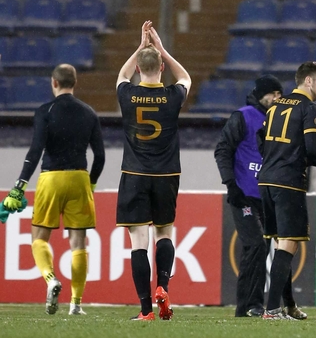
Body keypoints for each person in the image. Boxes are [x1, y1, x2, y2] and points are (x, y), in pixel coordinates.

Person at [2, 64, 105, 316]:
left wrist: (20, 185)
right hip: (79, 178)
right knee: (79, 243)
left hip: (51, 178)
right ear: (75, 83)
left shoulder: (44, 111)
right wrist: (90, 183)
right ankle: (76, 304)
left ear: (54, 83)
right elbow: (100, 156)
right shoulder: (89, 112)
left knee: (39, 237)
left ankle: (50, 279)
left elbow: (35, 152)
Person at [115, 20, 191, 321]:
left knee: (138, 242)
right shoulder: (173, 96)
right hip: (167, 174)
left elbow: (122, 75)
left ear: (138, 69)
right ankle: (163, 286)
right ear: (161, 68)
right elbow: (185, 76)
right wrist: (161, 49)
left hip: (134, 174)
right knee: (164, 232)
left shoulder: (127, 94)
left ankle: (146, 309)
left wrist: (140, 46)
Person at [257, 61, 316, 320]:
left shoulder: (275, 106)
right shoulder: (309, 108)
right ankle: (272, 309)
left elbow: (260, 140)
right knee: (289, 244)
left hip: (266, 180)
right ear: (308, 81)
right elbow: (313, 150)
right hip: (288, 182)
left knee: (281, 244)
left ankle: (289, 305)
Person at [215, 74, 306, 318]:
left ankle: (277, 305)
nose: (276, 98)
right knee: (256, 245)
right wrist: (230, 185)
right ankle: (250, 305)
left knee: (272, 248)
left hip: (269, 193)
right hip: (244, 195)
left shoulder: (279, 118)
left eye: (279, 94)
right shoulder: (243, 116)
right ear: (260, 94)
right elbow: (223, 150)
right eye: (272, 94)